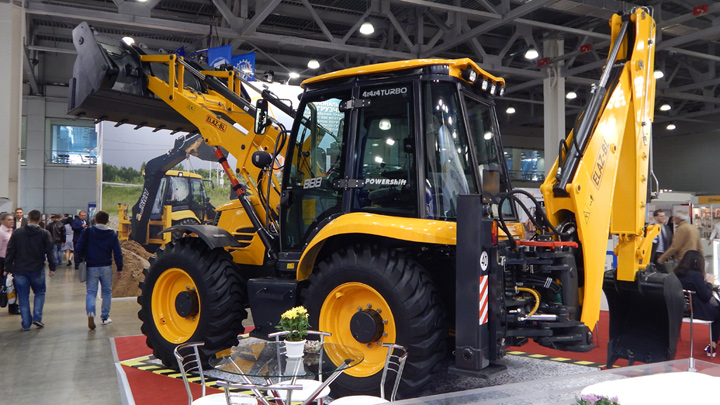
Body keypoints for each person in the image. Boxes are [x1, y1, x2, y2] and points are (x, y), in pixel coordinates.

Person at [3, 209, 56, 331]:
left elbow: (10, 250)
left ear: (28, 219)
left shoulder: (17, 233)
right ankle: (37, 317)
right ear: (40, 220)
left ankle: (26, 323)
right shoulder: (44, 233)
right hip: (37, 269)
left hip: (20, 269)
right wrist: (52, 267)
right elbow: (50, 252)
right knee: (40, 293)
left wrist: (7, 267)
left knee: (23, 296)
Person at [76, 210, 123, 330]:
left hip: (91, 266)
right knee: (107, 292)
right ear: (107, 221)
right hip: (106, 266)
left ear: (95, 220)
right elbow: (117, 252)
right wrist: (119, 268)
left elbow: (78, 247)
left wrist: (80, 260)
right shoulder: (112, 234)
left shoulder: (87, 232)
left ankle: (91, 312)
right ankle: (105, 317)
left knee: (91, 292)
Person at [674, 250, 720, 355]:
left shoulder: (676, 274)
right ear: (697, 262)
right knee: (718, 313)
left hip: (682, 309)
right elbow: (706, 296)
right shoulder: (696, 276)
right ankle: (713, 344)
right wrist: (709, 283)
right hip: (697, 310)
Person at [0, 212, 18, 315]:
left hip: (11, 261)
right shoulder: (1, 232)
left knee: (12, 284)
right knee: (4, 284)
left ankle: (12, 305)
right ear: (2, 221)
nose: (12, 221)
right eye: (9, 219)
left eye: (12, 219)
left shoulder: (12, 231)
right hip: (2, 261)